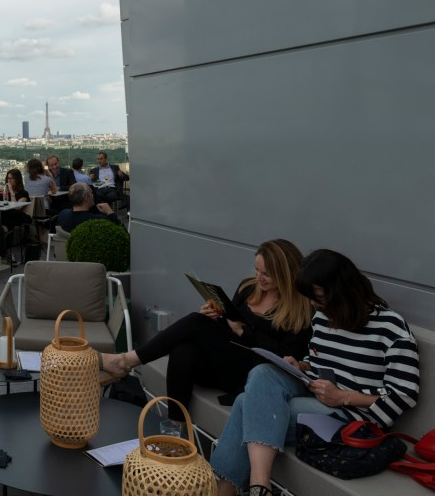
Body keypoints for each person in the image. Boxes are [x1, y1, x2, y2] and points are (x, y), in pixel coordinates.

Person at [211, 249, 420, 496]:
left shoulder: (390, 327)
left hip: (352, 419)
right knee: (263, 372)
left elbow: (404, 395)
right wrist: (301, 366)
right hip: (316, 398)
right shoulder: (323, 317)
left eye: (318, 298)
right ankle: (259, 486)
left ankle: (248, 486)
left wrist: (343, 396)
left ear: (343, 291)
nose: (313, 305)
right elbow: (318, 359)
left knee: (247, 404)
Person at [100, 239, 313, 422]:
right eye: (257, 270)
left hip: (255, 374)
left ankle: (125, 361)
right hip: (226, 361)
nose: (259, 277)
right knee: (184, 349)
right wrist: (215, 315)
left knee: (195, 322)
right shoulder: (249, 287)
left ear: (285, 274)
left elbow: (287, 357)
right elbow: (230, 323)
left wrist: (244, 333)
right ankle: (177, 428)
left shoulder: (300, 309)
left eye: (266, 274)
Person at [56, 183, 121, 232]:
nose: (93, 196)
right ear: (86, 198)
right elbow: (121, 234)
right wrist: (110, 212)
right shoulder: (99, 220)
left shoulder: (63, 214)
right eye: (91, 193)